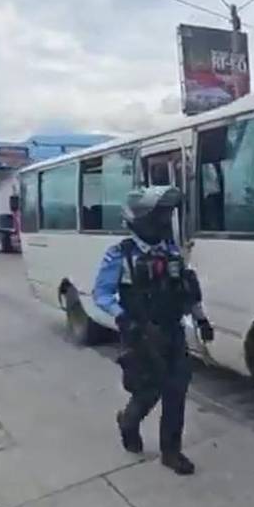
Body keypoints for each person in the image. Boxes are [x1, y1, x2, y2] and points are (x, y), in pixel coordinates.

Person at [92, 186, 214, 475]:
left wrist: (201, 320)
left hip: (173, 332)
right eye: (159, 215)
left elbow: (187, 291)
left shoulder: (171, 251)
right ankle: (128, 422)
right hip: (141, 335)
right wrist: (122, 317)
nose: (164, 221)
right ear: (140, 220)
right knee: (147, 392)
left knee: (176, 392)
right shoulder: (120, 255)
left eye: (167, 215)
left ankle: (171, 452)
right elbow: (102, 294)